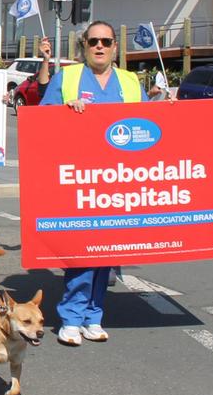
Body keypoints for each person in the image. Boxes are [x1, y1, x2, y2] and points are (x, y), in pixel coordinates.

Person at [39, 21, 147, 347]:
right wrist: (65, 111)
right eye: (94, 41)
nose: (100, 46)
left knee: (107, 253)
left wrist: (168, 105)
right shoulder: (67, 78)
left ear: (115, 46)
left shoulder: (129, 82)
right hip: (79, 181)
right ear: (84, 45)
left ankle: (93, 315)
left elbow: (152, 124)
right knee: (83, 251)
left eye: (106, 41)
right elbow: (41, 120)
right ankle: (71, 316)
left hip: (118, 182)